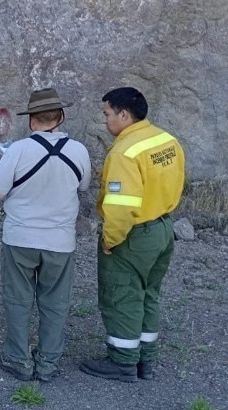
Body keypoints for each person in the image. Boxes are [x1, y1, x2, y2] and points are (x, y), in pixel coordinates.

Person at [81, 87, 185, 382]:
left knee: (122, 296)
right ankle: (145, 359)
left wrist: (110, 240)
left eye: (107, 114)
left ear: (124, 115)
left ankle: (123, 361)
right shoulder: (166, 140)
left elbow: (121, 206)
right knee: (148, 294)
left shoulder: (124, 152)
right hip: (163, 228)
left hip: (134, 235)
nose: (105, 120)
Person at [0, 87, 91, 382]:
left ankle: (18, 359)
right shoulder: (79, 151)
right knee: (55, 302)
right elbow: (83, 187)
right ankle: (48, 363)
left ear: (32, 120)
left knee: (18, 299)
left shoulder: (18, 150)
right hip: (60, 241)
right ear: (61, 117)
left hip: (20, 238)